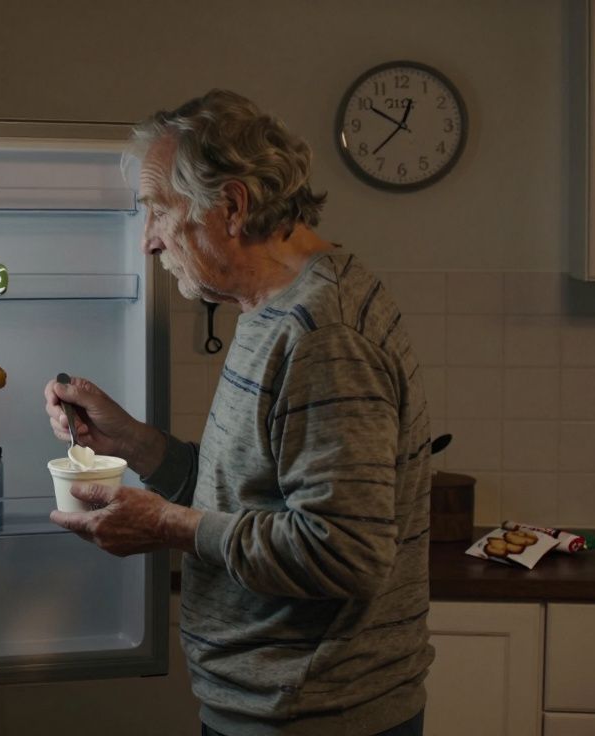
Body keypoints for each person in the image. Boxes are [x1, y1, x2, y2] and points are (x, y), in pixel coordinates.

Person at [43, 90, 434, 736]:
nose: (147, 242)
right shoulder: (269, 307)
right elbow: (248, 494)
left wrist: (168, 525)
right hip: (270, 706)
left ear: (231, 206)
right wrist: (134, 442)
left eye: (158, 212)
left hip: (319, 715)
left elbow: (347, 552)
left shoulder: (324, 333)